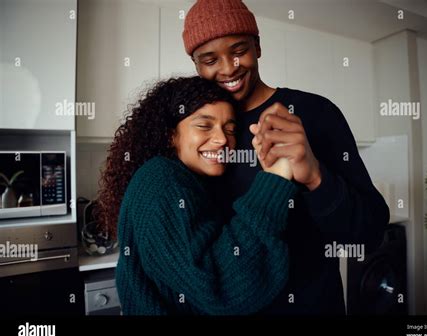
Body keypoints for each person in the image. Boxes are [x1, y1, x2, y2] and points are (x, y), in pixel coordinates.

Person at [182, 0, 390, 314]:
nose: (228, 68)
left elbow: (370, 233)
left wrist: (315, 176)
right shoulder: (194, 134)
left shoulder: (316, 113)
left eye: (239, 50)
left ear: (258, 47)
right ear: (197, 66)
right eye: (210, 59)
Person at [95, 76, 298, 315]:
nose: (223, 139)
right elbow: (222, 288)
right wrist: (276, 177)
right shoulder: (160, 180)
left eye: (230, 129)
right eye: (204, 125)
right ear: (171, 135)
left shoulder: (189, 181)